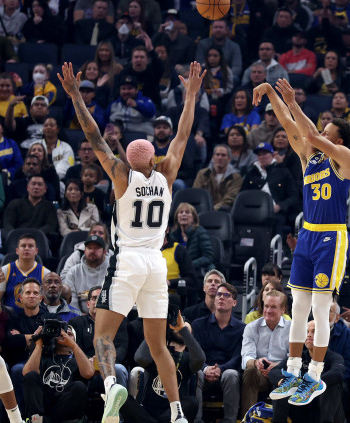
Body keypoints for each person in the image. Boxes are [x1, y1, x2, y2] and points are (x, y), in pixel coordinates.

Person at [60, 60, 205, 423]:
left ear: (126, 159)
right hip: (156, 263)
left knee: (103, 336)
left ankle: (111, 387)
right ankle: (177, 413)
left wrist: (76, 95)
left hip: (127, 260)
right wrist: (191, 95)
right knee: (158, 345)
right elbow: (183, 134)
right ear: (154, 158)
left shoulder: (121, 176)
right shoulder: (167, 173)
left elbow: (94, 136)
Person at [253, 78, 350, 405]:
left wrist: (293, 101)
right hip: (307, 235)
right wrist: (272, 94)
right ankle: (293, 372)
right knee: (298, 308)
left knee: (321, 310)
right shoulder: (309, 158)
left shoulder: (345, 158)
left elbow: (309, 133)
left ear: (338, 140)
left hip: (331, 237)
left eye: (327, 132)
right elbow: (289, 124)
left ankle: (315, 376)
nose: (320, 133)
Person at [122, 311, 204, 423]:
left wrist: (183, 330)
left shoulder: (189, 358)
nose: (180, 328)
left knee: (192, 402)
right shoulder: (157, 353)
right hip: (148, 411)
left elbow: (200, 359)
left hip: (174, 413)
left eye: (185, 329)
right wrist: (159, 328)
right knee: (123, 398)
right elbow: (140, 358)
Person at [269, 319, 345, 423]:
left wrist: (310, 384)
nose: (309, 335)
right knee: (283, 385)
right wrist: (284, 382)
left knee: (331, 386)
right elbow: (274, 372)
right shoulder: (299, 357)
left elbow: (338, 373)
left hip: (323, 409)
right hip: (299, 407)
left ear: (325, 337)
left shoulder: (334, 357)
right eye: (307, 332)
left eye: (314, 332)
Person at [191, 282, 244, 423]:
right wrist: (205, 368)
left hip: (227, 373)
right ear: (214, 300)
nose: (221, 297)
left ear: (234, 303)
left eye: (226, 295)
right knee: (197, 373)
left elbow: (238, 357)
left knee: (231, 374)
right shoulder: (198, 325)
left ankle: (229, 421)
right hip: (204, 371)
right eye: (219, 294)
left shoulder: (242, 328)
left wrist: (221, 369)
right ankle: (196, 421)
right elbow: (195, 353)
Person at [23, 323, 93, 422]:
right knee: (31, 375)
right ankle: (37, 419)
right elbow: (27, 373)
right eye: (61, 333)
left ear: (75, 339)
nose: (64, 335)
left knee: (79, 386)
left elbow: (88, 373)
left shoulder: (79, 358)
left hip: (66, 407)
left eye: (69, 334)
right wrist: (38, 345)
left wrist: (73, 345)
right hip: (45, 405)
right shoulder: (44, 356)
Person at [241, 290, 291, 413]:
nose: (268, 310)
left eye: (273, 307)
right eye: (266, 306)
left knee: (291, 374)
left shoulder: (292, 328)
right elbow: (246, 356)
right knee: (250, 372)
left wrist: (278, 366)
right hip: (260, 374)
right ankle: (248, 418)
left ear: (283, 309)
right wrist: (256, 362)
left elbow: (294, 358)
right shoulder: (251, 327)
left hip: (282, 372)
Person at [0, 234, 50, 311]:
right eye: (23, 246)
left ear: (36, 251)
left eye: (30, 246)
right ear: (17, 251)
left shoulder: (45, 273)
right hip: (10, 316)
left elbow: (48, 303)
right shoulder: (5, 270)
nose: (27, 248)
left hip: (36, 316)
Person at [192, 145, 243, 212]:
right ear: (213, 157)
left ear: (229, 159)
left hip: (225, 212)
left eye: (223, 155)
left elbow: (230, 199)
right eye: (217, 154)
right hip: (203, 210)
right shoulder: (202, 174)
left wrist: (212, 210)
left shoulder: (236, 177)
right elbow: (196, 193)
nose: (220, 158)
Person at [168, 202, 213, 272]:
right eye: (181, 212)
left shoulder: (200, 232)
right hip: (179, 270)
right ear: (177, 217)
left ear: (193, 218)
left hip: (198, 270)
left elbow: (208, 257)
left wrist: (189, 265)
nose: (183, 214)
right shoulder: (173, 234)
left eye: (187, 212)